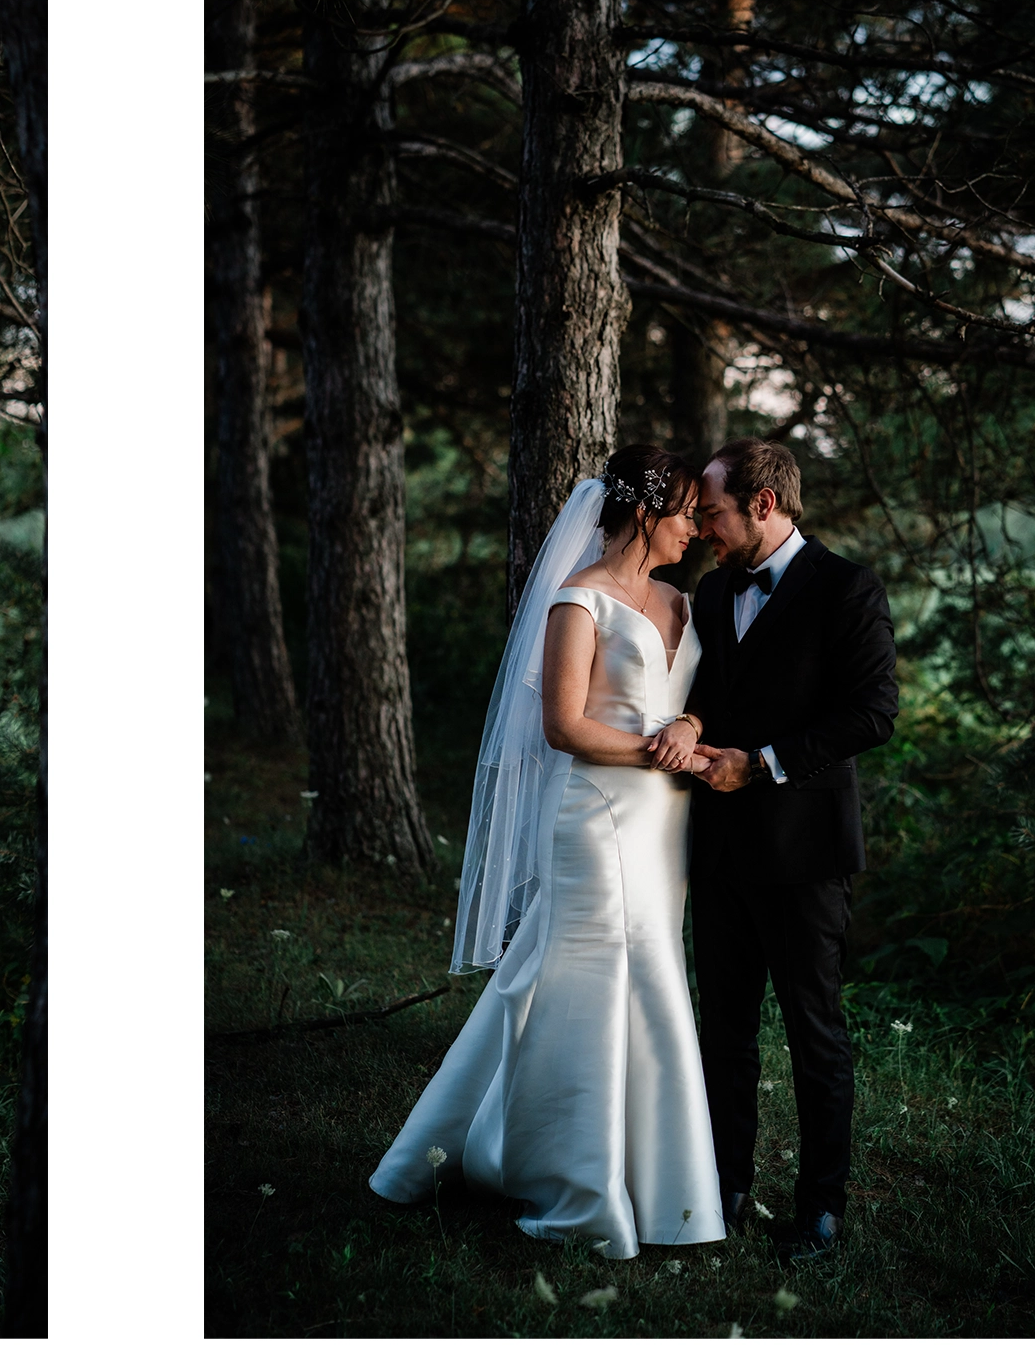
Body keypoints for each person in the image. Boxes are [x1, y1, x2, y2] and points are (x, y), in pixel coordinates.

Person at [370, 445, 727, 1260]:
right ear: (644, 513)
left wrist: (691, 731)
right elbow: (563, 726)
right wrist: (656, 753)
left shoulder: (680, 600)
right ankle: (577, 1184)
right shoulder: (580, 600)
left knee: (649, 973)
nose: (695, 532)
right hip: (597, 816)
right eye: (684, 517)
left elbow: (695, 702)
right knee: (596, 979)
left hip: (663, 824)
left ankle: (655, 1177)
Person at [654, 437, 899, 1260]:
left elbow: (873, 713)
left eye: (714, 513)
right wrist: (691, 723)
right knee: (722, 1029)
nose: (704, 530)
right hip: (717, 852)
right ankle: (722, 1183)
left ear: (763, 504)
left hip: (804, 855)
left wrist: (759, 764)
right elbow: (700, 693)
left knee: (813, 1030)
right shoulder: (715, 591)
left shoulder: (848, 588)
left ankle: (822, 1207)